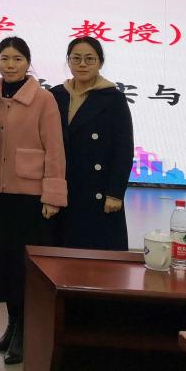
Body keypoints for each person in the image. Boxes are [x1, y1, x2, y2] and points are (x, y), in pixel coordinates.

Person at [0, 37, 66, 365]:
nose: (10, 64)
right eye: (5, 58)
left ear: (28, 63)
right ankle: (12, 325)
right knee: (4, 266)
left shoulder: (44, 99)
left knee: (24, 270)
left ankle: (25, 332)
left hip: (30, 198)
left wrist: (53, 195)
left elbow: (55, 149)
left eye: (17, 58)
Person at [50, 36, 134, 251]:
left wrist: (115, 193)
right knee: (61, 255)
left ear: (100, 62)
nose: (82, 64)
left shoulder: (113, 98)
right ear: (68, 61)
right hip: (64, 188)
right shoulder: (55, 95)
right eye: (76, 58)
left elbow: (123, 149)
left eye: (89, 59)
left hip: (99, 191)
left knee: (98, 257)